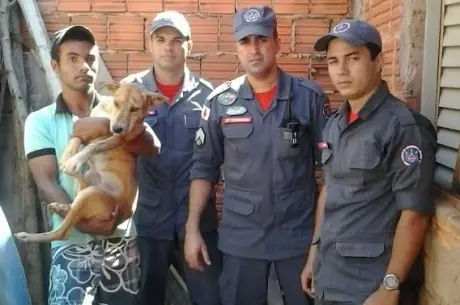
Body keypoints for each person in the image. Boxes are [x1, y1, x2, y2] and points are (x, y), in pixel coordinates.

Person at [184, 5, 330, 305]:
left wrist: (319, 243)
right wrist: (192, 228)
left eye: (261, 39)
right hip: (242, 239)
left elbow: (332, 175)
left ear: (276, 41)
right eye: (245, 42)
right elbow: (203, 169)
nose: (254, 49)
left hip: (297, 238)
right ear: (236, 48)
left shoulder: (309, 98)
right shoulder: (221, 103)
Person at [300, 19, 437, 305]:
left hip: (369, 288)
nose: (342, 70)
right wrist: (314, 255)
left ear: (378, 62)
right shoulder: (336, 123)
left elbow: (415, 213)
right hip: (330, 276)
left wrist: (391, 285)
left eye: (353, 58)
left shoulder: (404, 127)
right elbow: (330, 190)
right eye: (334, 61)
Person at [23, 25, 157, 305]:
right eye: (73, 58)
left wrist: (104, 127)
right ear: (55, 66)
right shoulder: (40, 120)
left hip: (120, 241)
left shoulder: (119, 104)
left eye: (90, 58)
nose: (84, 65)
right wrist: (83, 223)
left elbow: (153, 147)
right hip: (72, 244)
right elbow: (46, 179)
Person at [120, 11, 222, 305]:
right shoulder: (130, 91)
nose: (169, 47)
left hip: (198, 221)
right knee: (145, 298)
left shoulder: (208, 96)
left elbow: (217, 158)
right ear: (149, 44)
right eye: (161, 39)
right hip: (148, 222)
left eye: (177, 40)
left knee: (211, 297)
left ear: (189, 46)